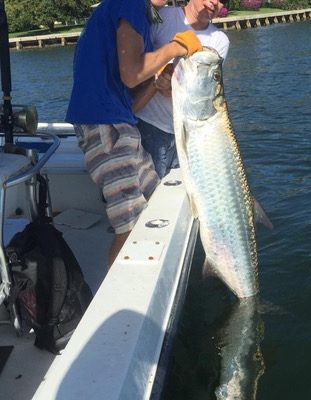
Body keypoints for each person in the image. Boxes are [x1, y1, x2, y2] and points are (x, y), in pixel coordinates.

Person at [65, 0, 202, 268]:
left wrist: (157, 80)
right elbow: (132, 74)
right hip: (103, 125)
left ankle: (159, 271)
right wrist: (177, 47)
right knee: (131, 223)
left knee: (157, 201)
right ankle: (119, 303)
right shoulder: (129, 4)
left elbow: (130, 102)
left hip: (119, 123)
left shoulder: (133, 12)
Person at [133, 0, 230, 179]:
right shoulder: (163, 17)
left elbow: (206, 93)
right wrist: (156, 78)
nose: (215, 2)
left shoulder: (219, 41)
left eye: (223, 0)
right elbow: (136, 63)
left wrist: (167, 86)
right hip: (150, 126)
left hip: (193, 135)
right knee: (148, 192)